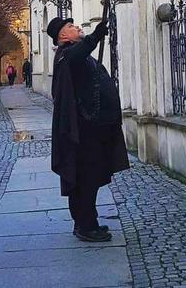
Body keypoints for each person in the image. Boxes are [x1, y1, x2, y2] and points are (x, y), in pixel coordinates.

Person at [48, 16, 129, 243]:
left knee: (90, 178)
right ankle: (85, 225)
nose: (76, 28)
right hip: (83, 130)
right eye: (71, 27)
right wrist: (95, 36)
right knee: (85, 178)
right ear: (62, 36)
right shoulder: (66, 54)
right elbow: (78, 54)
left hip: (93, 127)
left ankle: (87, 221)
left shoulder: (75, 53)